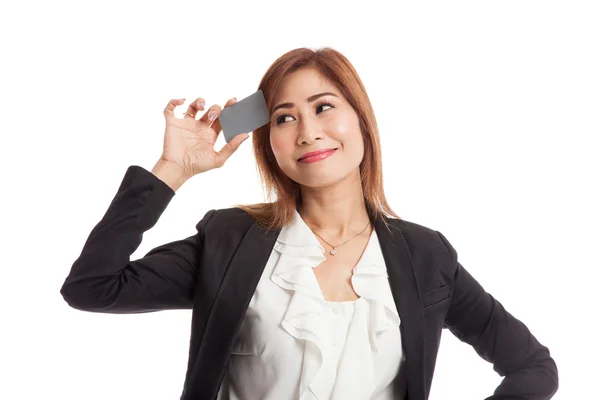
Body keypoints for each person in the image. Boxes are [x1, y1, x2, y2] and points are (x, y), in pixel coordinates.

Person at [60, 47, 558, 400]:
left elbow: (533, 369)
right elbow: (92, 288)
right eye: (283, 117)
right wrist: (172, 170)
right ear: (269, 144)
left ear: (360, 119)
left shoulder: (426, 256)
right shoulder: (230, 240)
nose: (308, 131)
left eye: (323, 107)